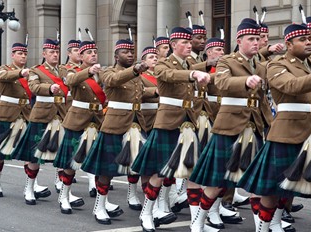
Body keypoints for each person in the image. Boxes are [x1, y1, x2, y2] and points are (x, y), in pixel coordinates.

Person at [238, 23, 311, 232]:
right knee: (272, 191)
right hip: (286, 134)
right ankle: (264, 229)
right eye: (302, 39)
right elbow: (293, 85)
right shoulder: (276, 65)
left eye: (309, 38)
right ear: (289, 44)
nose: (308, 42)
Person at [189, 19, 273, 232]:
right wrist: (244, 81)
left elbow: (263, 99)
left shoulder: (262, 66)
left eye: (258, 39)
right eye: (251, 39)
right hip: (229, 127)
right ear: (240, 40)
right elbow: (222, 82)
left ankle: (261, 229)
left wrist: (269, 124)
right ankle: (197, 223)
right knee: (217, 182)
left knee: (257, 184)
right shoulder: (227, 61)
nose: (256, 43)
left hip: (254, 128)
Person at [132, 26, 211, 232]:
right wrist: (194, 72)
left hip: (188, 122)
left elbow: (199, 66)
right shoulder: (163, 63)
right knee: (161, 172)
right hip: (168, 122)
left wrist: (209, 64)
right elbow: (170, 75)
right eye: (184, 42)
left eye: (189, 42)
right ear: (173, 45)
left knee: (193, 173)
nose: (188, 45)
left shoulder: (192, 63)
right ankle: (147, 212)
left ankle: (196, 224)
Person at [81, 39, 153, 224]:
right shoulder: (108, 71)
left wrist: (156, 92)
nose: (129, 54)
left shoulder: (136, 75)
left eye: (131, 51)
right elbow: (113, 81)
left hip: (137, 123)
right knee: (107, 169)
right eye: (125, 52)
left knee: (145, 167)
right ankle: (100, 206)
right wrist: (136, 70)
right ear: (116, 56)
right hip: (115, 124)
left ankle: (149, 210)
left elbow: (139, 92)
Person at [12, 39, 67, 205]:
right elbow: (34, 87)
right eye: (51, 52)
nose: (55, 54)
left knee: (64, 157)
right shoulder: (37, 70)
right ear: (44, 54)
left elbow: (72, 81)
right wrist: (49, 89)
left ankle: (64, 194)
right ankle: (29, 188)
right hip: (42, 116)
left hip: (62, 116)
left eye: (57, 52)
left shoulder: (64, 70)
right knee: (35, 156)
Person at [53, 40, 106, 215]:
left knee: (100, 165)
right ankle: (64, 196)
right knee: (70, 162)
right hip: (77, 120)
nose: (93, 55)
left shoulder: (102, 73)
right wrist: (88, 71)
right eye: (89, 52)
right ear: (81, 56)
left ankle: (101, 204)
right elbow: (70, 80)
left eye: (95, 52)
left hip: (98, 121)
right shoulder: (73, 71)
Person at [0, 43, 31, 197]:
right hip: (7, 114)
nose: (23, 56)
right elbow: (2, 77)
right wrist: (20, 73)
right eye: (19, 54)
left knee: (29, 153)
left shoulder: (30, 73)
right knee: (0, 153)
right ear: (13, 55)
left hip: (25, 114)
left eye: (25, 54)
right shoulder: (5, 69)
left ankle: (30, 186)